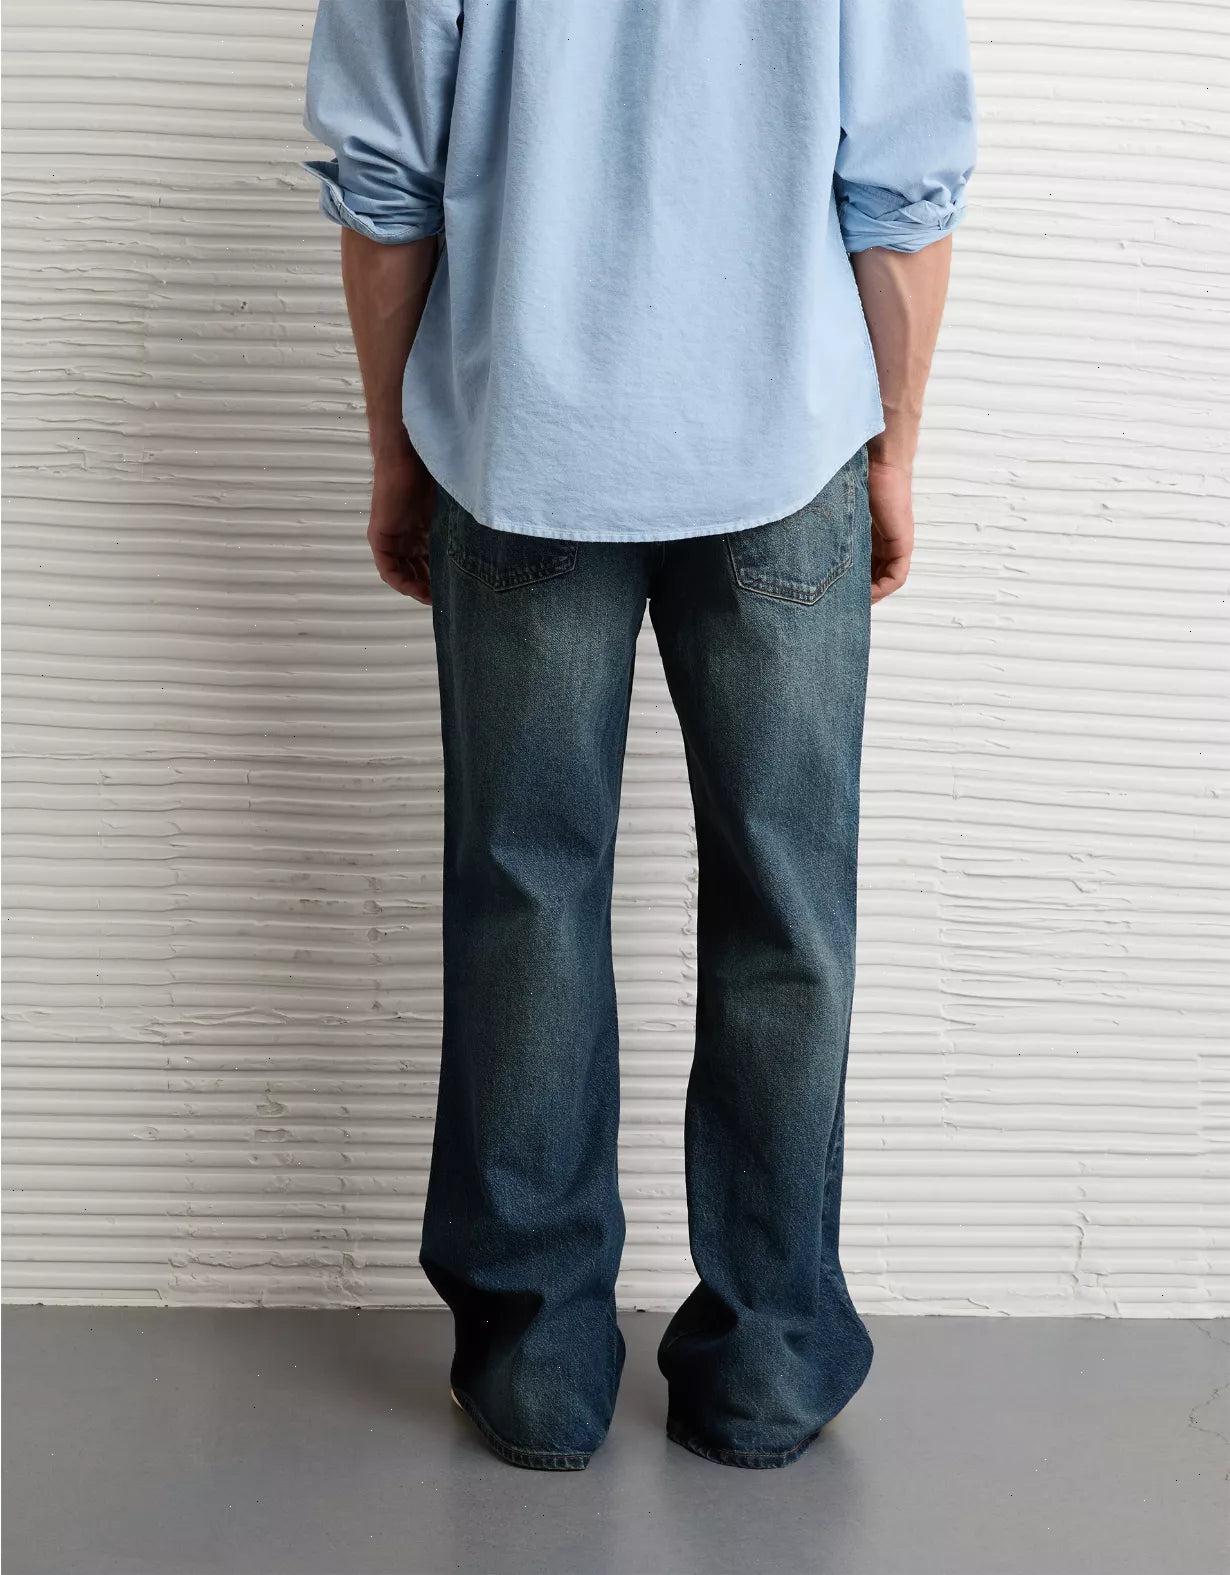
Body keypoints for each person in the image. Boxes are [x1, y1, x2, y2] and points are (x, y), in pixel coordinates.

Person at [301, 0, 976, 1472]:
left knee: (525, 893)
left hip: (520, 445)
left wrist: (393, 451)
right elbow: (903, 182)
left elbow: (385, 183)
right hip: (787, 440)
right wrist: (896, 445)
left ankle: (536, 1363)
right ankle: (769, 1364)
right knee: (788, 908)